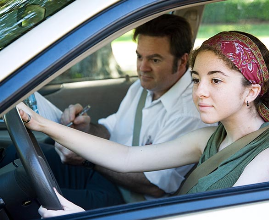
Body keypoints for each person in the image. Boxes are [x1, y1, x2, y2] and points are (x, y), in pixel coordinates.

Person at [19, 30, 269, 218]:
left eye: (215, 80)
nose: (199, 91)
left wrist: (81, 215)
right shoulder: (211, 138)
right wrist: (42, 124)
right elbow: (126, 156)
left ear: (251, 91)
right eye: (196, 79)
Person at [0, 13, 210, 211]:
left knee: (29, 200)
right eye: (139, 57)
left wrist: (88, 159)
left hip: (129, 199)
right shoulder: (142, 88)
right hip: (103, 173)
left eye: (154, 60)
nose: (142, 68)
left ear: (183, 61)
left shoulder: (188, 113)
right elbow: (111, 130)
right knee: (19, 156)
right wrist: (87, 127)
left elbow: (154, 186)